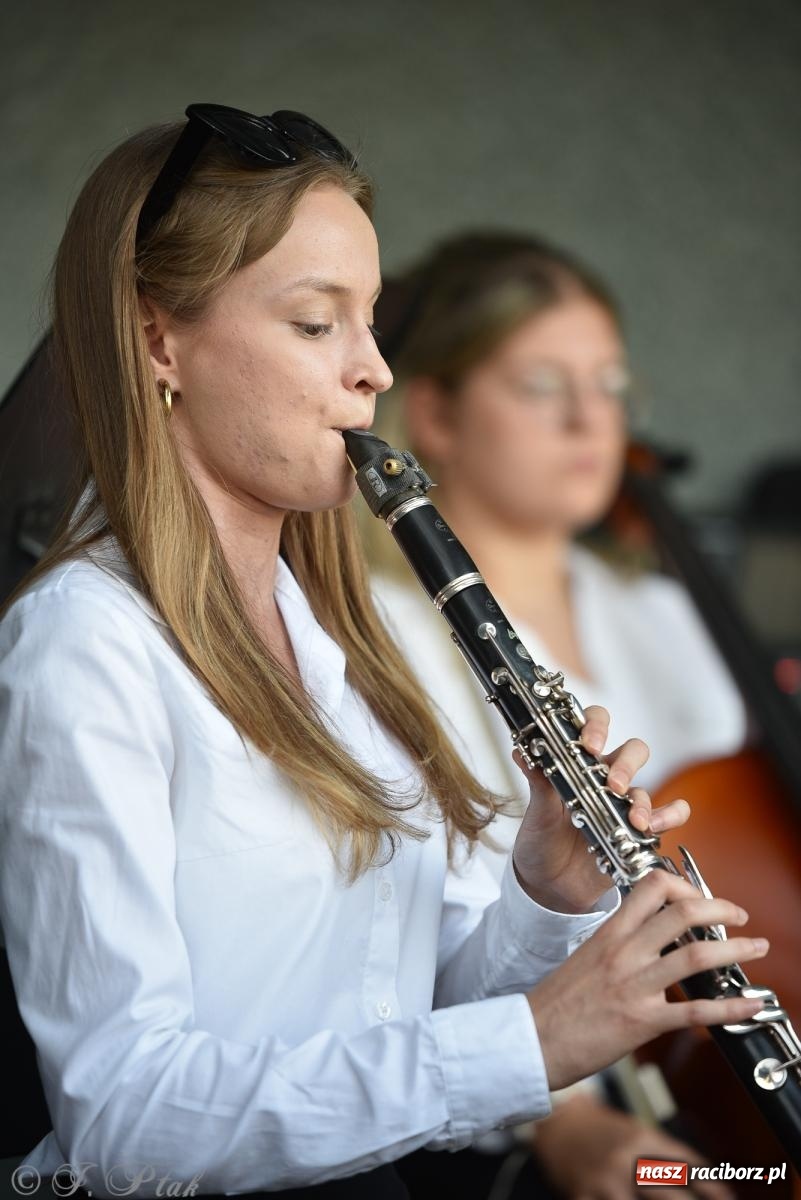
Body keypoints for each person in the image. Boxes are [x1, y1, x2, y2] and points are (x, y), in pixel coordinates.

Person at [0, 110, 766, 1200]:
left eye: (368, 322)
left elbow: (397, 1012)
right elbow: (126, 1119)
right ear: (156, 339)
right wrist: (533, 1045)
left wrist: (548, 896)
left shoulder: (330, 641)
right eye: (317, 324)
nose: (373, 371)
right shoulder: (85, 643)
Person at [370, 232, 749, 1199]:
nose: (593, 419)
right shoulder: (380, 632)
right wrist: (562, 1127)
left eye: (611, 383)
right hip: (561, 1098)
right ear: (436, 414)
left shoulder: (661, 610)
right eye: (542, 384)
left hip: (705, 1056)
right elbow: (419, 936)